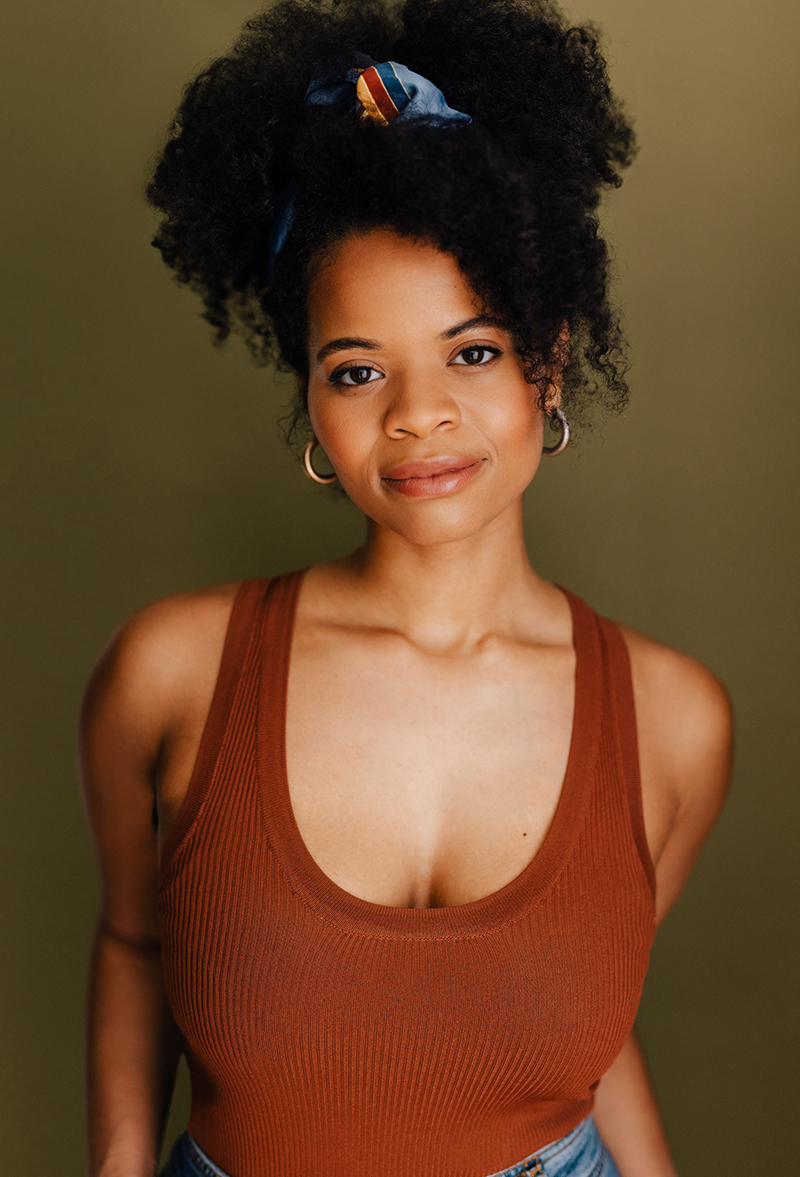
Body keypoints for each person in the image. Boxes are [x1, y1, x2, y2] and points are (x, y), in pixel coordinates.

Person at [79, 1, 733, 1175]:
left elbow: (587, 1041)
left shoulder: (674, 720)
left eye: (471, 350)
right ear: (312, 404)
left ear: (550, 361)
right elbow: (133, 939)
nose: (416, 412)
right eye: (357, 367)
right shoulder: (171, 670)